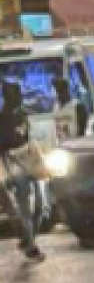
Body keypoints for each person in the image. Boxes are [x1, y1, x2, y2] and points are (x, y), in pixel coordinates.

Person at [0, 83, 45, 262]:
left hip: (29, 164)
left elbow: (28, 138)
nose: (19, 98)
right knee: (22, 210)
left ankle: (27, 240)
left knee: (41, 206)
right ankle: (30, 246)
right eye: (15, 95)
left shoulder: (22, 115)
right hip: (14, 168)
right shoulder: (3, 119)